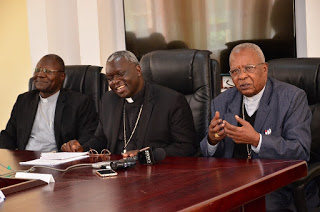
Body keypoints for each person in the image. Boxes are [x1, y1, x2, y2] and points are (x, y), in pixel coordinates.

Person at [200, 43, 317, 211]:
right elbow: (207, 154)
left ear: (264, 69)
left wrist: (257, 140)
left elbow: (300, 151)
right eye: (235, 71)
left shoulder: (292, 98)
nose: (242, 76)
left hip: (276, 185)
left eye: (249, 68)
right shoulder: (221, 102)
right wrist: (212, 140)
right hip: (231, 183)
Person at [62, 50, 197, 157]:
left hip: (154, 173)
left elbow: (186, 146)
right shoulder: (108, 100)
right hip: (117, 176)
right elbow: (100, 139)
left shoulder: (171, 100)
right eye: (110, 78)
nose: (115, 82)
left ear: (138, 70)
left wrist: (147, 155)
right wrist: (81, 149)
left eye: (120, 74)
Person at [0, 54, 98, 152]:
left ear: (62, 76)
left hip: (58, 161)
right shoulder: (24, 100)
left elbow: (89, 136)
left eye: (48, 71)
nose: (40, 75)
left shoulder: (79, 102)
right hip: (25, 159)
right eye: (37, 70)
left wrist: (74, 147)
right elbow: (8, 136)